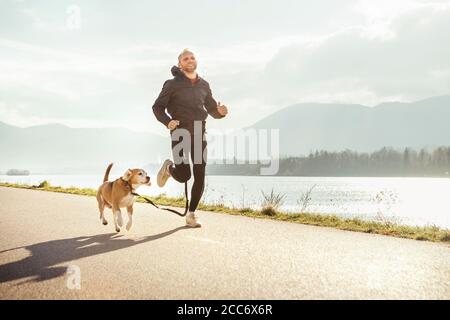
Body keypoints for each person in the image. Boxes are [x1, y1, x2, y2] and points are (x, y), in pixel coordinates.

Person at [152, 49, 228, 227]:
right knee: (185, 175)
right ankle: (169, 168)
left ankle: (192, 215)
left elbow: (211, 109)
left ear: (196, 61)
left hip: (199, 133)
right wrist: (167, 122)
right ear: (180, 64)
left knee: (200, 174)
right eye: (185, 58)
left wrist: (220, 113)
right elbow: (157, 107)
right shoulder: (171, 84)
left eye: (192, 57)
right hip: (180, 132)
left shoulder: (204, 85)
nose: (190, 60)